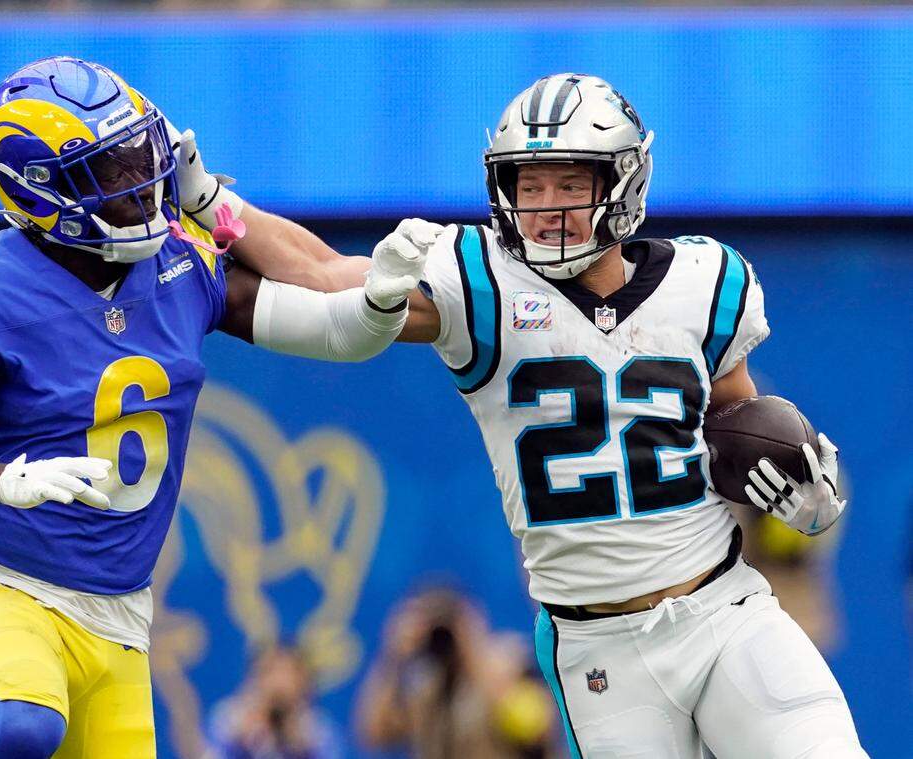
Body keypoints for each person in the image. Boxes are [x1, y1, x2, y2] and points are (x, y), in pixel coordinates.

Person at [236, 73, 866, 757]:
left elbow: (738, 416)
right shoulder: (479, 281)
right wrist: (212, 203)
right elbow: (322, 272)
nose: (545, 207)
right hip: (599, 650)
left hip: (724, 612)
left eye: (570, 184)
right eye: (528, 186)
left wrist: (797, 484)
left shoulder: (706, 281)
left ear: (624, 182)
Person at [0, 56, 425, 758]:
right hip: (3, 586)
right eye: (112, 170)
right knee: (20, 726)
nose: (143, 182)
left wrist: (381, 297)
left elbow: (338, 330)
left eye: (140, 155)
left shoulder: (181, 266)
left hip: (119, 618)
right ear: (43, 191)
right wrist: (3, 479)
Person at [355, 587, 557, 759]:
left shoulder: (510, 661)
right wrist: (393, 658)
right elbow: (373, 733)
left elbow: (534, 729)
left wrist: (473, 650)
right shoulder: (425, 683)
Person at [206, 643, 341, 759]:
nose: (279, 681)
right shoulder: (229, 719)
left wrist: (299, 746)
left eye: (288, 673)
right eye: (271, 671)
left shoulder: (318, 731)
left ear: (304, 682)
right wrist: (243, 739)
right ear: (254, 678)